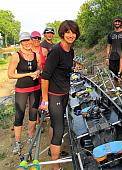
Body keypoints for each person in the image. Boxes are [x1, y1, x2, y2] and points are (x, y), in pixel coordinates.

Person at [40, 20, 80, 170]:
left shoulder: (71, 50)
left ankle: (53, 151)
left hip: (64, 93)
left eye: (73, 32)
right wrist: (44, 100)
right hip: (54, 95)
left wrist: (71, 72)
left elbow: (64, 70)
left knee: (56, 124)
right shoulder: (56, 51)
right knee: (59, 128)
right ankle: (55, 166)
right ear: (62, 33)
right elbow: (45, 76)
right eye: (67, 32)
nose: (71, 35)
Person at [8, 32, 41, 154]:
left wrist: (37, 72)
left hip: (35, 88)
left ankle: (31, 138)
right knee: (19, 115)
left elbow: (39, 68)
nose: (27, 43)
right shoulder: (16, 56)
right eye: (24, 41)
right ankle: (17, 142)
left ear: (32, 41)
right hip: (21, 89)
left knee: (33, 114)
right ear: (20, 43)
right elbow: (10, 74)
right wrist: (27, 74)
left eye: (29, 40)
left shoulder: (36, 55)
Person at [106, 17, 122, 86]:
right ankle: (116, 90)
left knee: (121, 75)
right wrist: (107, 58)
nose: (117, 23)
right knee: (114, 75)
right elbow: (109, 46)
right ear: (113, 23)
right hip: (112, 58)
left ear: (121, 23)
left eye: (118, 22)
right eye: (116, 22)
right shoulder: (111, 34)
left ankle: (121, 91)